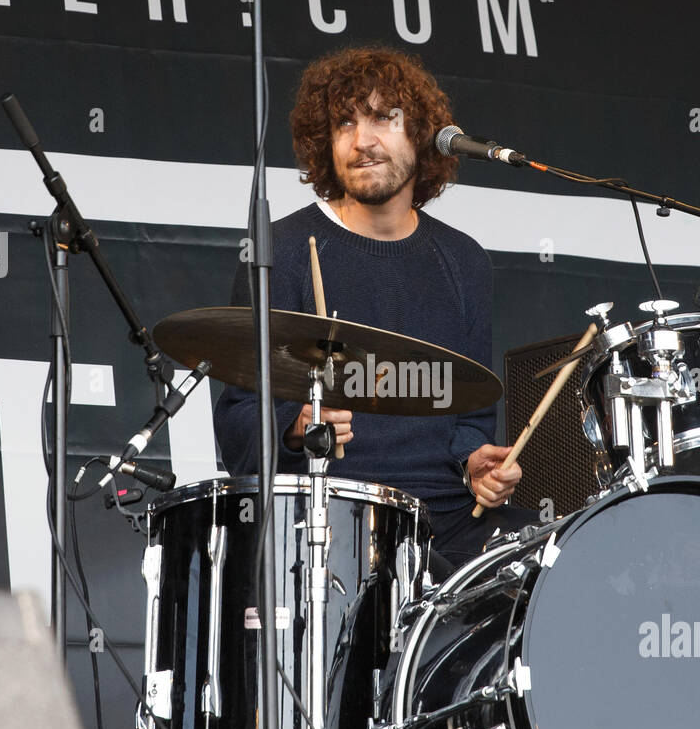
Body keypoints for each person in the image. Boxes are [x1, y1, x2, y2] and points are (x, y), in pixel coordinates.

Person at [213, 46, 533, 573]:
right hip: (333, 517)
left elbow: (470, 418)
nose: (363, 141)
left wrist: (475, 463)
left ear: (423, 135)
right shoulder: (281, 253)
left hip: (449, 516)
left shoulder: (464, 262)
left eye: (385, 118)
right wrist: (295, 425)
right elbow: (238, 425)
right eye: (343, 124)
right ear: (324, 144)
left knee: (554, 562)